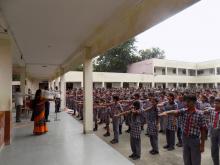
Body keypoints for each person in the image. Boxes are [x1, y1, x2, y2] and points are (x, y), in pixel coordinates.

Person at [159, 94, 207, 165]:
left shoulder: (200, 114)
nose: (185, 103)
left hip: (194, 139)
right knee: (186, 158)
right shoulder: (184, 111)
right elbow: (175, 111)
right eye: (185, 101)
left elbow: (203, 130)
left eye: (187, 102)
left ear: (193, 102)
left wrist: (202, 144)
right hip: (185, 138)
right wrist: (166, 112)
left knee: (195, 159)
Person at [204, 97, 220, 165]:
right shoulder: (211, 110)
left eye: (217, 103)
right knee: (214, 149)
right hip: (213, 131)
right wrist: (205, 111)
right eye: (214, 103)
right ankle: (216, 163)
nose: (215, 105)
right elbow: (204, 111)